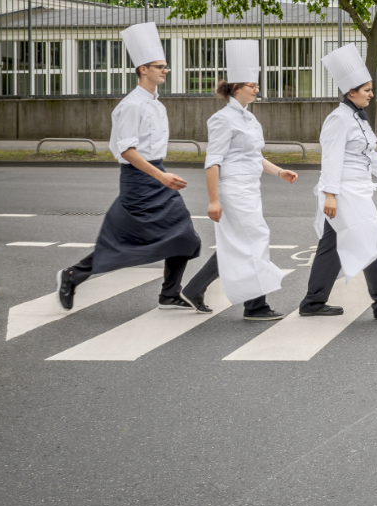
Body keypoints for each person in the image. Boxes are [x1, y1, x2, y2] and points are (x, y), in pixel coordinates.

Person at [57, 22, 210, 312]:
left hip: (158, 175)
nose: (165, 70)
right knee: (124, 241)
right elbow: (126, 151)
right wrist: (161, 175)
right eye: (160, 66)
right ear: (143, 69)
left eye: (166, 66)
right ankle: (73, 275)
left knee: (186, 238)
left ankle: (169, 294)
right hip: (140, 180)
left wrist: (162, 174)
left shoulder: (156, 103)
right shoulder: (131, 105)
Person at [177, 40, 297, 320]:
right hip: (233, 190)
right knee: (255, 241)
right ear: (236, 87)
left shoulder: (250, 119)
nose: (257, 88)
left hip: (250, 189)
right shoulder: (222, 119)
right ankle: (255, 306)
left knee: (241, 244)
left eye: (257, 85)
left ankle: (194, 289)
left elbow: (254, 157)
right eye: (252, 84)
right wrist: (213, 200)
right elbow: (213, 162)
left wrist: (279, 171)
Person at [299, 44, 377, 321]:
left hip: (358, 188)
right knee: (369, 241)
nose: (371, 95)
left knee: (331, 246)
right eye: (367, 90)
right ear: (351, 92)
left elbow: (367, 153)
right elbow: (331, 159)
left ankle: (313, 301)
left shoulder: (357, 118)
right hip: (346, 191)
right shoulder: (338, 119)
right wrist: (330, 194)